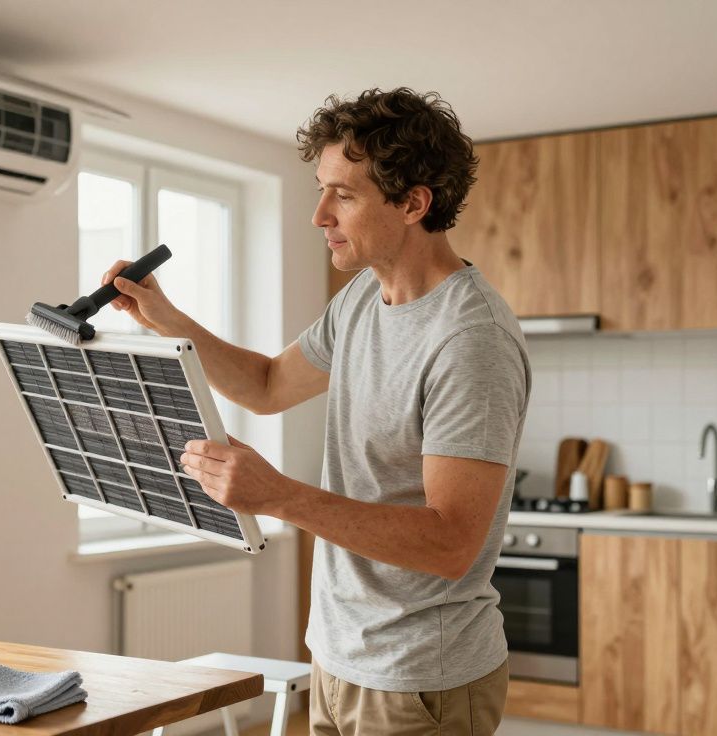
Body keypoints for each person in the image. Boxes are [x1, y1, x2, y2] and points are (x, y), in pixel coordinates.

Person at [99, 87, 529, 736]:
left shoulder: (471, 339)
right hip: (336, 655)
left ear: (414, 203)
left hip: (421, 681)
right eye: (321, 190)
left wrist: (277, 495)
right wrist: (168, 321)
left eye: (344, 195)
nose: (319, 215)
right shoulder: (361, 298)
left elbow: (450, 546)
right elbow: (269, 384)